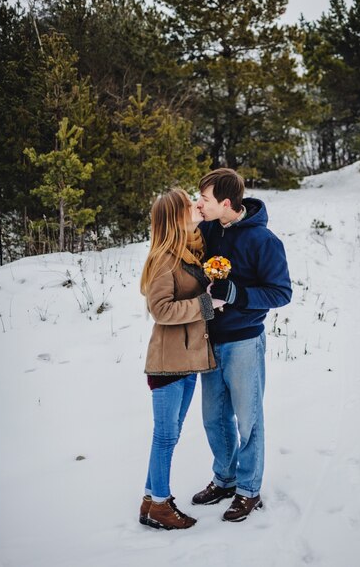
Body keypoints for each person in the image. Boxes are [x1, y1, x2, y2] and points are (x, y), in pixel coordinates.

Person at [192, 168, 292, 522]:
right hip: (209, 340)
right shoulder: (205, 231)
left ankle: (248, 490)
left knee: (248, 419)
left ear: (226, 203)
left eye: (203, 199)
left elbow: (282, 292)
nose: (198, 204)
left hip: (244, 342)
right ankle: (225, 479)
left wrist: (236, 294)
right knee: (213, 418)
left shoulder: (263, 241)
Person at [139, 188, 224, 531]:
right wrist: (206, 305)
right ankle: (160, 505)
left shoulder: (188, 251)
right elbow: (160, 310)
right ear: (176, 216)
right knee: (165, 436)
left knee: (168, 435)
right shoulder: (164, 259)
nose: (196, 205)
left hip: (186, 359)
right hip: (168, 362)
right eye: (190, 204)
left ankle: (150, 499)